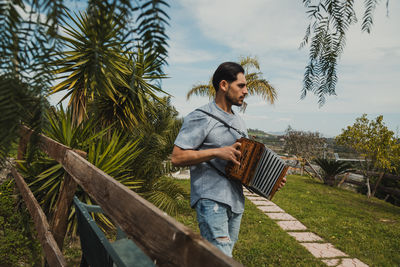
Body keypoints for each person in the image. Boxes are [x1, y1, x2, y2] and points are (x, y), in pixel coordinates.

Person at [171, 62, 286, 257]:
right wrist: (217, 152)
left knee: (219, 259)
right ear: (224, 85)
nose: (246, 91)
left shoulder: (240, 123)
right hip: (210, 199)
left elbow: (247, 166)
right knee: (223, 260)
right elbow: (177, 157)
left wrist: (272, 180)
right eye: (241, 85)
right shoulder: (201, 117)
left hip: (236, 203)